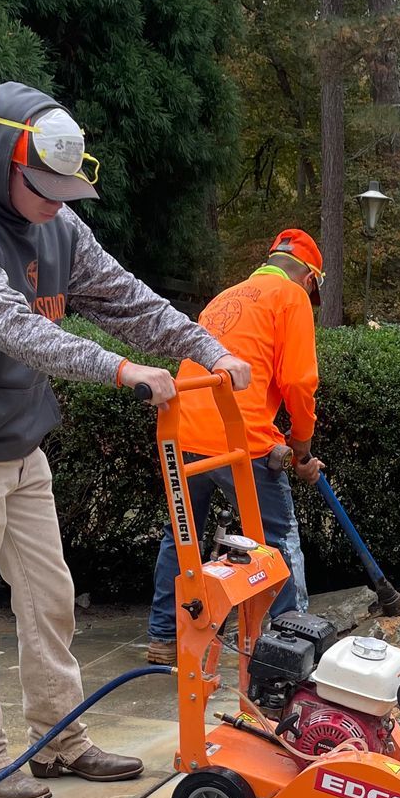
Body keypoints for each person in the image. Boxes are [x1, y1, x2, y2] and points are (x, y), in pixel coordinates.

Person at [0, 81, 251, 798]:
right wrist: (117, 370)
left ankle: (61, 740)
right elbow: (12, 324)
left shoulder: (62, 229)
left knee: (50, 598)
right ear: (5, 163)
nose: (57, 205)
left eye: (67, 191)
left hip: (21, 446)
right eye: (45, 189)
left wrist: (206, 349)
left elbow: (127, 300)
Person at [144, 229, 327, 665]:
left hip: (183, 430)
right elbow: (299, 381)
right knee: (279, 539)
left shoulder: (228, 296)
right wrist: (301, 448)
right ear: (309, 278)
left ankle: (165, 638)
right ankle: (290, 647)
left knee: (182, 535)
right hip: (238, 439)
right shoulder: (291, 297)